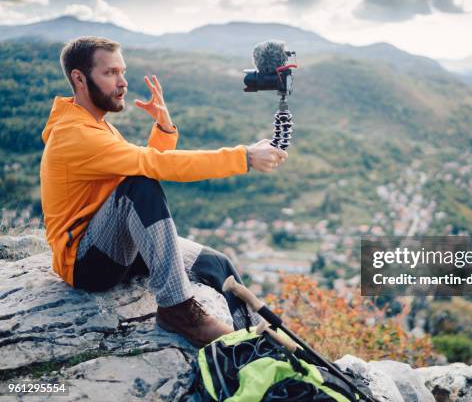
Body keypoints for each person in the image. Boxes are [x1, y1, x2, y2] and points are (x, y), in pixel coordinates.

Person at [39, 36, 287, 347]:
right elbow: (150, 169)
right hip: (85, 263)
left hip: (117, 246)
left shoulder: (96, 125)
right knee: (139, 187)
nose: (123, 82)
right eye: (110, 73)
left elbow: (141, 166)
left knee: (216, 264)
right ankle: (178, 310)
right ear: (79, 78)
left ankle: (250, 344)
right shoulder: (74, 134)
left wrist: (164, 127)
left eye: (123, 72)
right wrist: (244, 157)